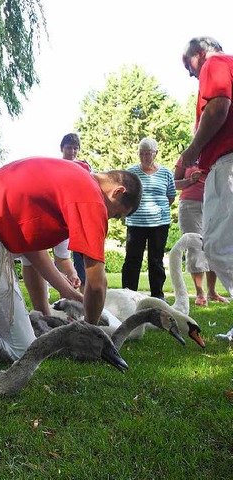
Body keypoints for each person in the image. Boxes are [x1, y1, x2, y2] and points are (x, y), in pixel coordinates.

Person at [0, 158, 142, 362]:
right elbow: (97, 284)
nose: (110, 219)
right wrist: (89, 328)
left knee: (23, 335)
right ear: (118, 191)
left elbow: (32, 249)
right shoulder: (92, 200)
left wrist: (68, 292)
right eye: (116, 215)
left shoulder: (78, 174)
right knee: (22, 348)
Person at [178, 36, 233, 339]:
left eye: (188, 64)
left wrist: (193, 149)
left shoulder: (216, 63)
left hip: (227, 164)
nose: (189, 72)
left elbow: (219, 105)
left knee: (216, 244)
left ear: (199, 53)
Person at [121, 138, 175, 300]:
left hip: (159, 224)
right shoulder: (130, 172)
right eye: (141, 153)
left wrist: (157, 209)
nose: (144, 157)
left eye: (148, 154)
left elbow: (170, 196)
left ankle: (158, 296)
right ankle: (128, 295)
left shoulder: (166, 172)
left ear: (156, 153)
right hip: (135, 223)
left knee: (156, 260)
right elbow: (125, 197)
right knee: (132, 259)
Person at [174, 158, 229, 306]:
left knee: (213, 245)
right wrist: (190, 180)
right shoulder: (187, 157)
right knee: (195, 246)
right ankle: (200, 293)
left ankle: (212, 292)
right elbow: (173, 184)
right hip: (190, 205)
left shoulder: (217, 154)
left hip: (215, 203)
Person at [60, 133, 89, 289]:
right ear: (62, 148)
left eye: (75, 148)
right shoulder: (55, 166)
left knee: (79, 254)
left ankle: (81, 288)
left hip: (77, 215)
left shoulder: (83, 167)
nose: (72, 151)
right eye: (69, 147)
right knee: (61, 254)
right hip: (60, 214)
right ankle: (67, 287)